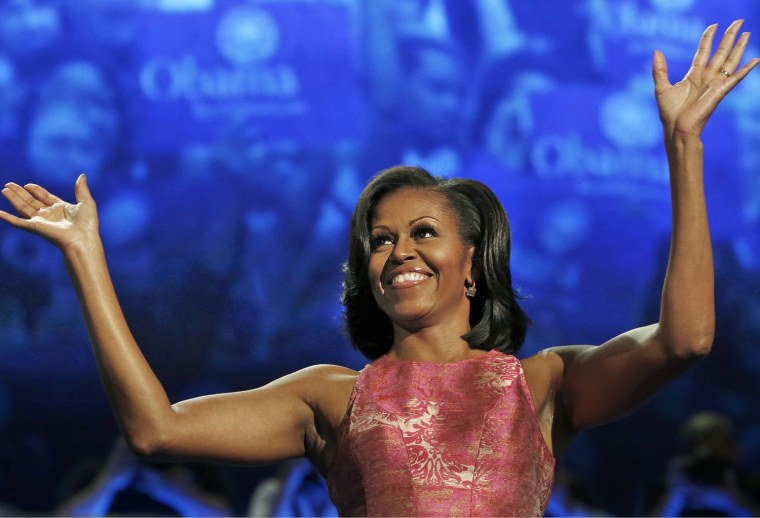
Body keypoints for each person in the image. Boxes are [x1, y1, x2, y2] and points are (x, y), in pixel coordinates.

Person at [1, 21, 757, 516]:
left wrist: (684, 145)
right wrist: (86, 257)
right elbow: (156, 431)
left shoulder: (542, 387)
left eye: (422, 232)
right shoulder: (329, 399)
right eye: (380, 239)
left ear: (471, 265)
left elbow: (684, 341)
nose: (398, 252)